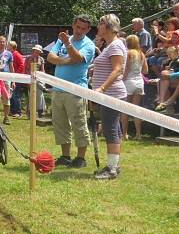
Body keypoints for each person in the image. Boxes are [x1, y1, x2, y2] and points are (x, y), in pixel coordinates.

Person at [47, 14, 96, 168]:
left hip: (76, 90)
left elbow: (78, 58)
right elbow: (50, 57)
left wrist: (68, 44)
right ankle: (65, 156)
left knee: (79, 124)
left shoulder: (89, 45)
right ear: (73, 25)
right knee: (60, 124)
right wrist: (65, 60)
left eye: (83, 28)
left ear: (88, 30)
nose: (79, 30)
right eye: (77, 27)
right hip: (58, 88)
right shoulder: (61, 40)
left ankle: (80, 158)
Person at [90, 14, 127, 180]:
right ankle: (114, 164)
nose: (98, 26)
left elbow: (118, 69)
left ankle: (111, 169)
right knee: (114, 129)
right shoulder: (110, 45)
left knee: (110, 129)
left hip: (112, 95)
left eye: (101, 23)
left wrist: (102, 88)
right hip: (108, 95)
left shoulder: (115, 46)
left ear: (108, 27)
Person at [156, 34, 179, 114]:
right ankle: (164, 103)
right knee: (164, 78)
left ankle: (167, 102)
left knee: (168, 79)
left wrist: (171, 75)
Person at [121, 34, 148, 140]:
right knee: (136, 109)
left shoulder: (128, 53)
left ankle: (124, 134)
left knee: (125, 109)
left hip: (129, 82)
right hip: (139, 83)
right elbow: (145, 71)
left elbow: (126, 69)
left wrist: (121, 79)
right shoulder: (142, 54)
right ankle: (138, 134)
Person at [25, 44, 46, 117]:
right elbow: (26, 69)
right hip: (30, 78)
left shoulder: (41, 59)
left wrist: (42, 78)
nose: (37, 52)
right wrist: (28, 80)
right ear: (33, 50)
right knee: (31, 95)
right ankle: (30, 112)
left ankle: (40, 110)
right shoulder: (28, 58)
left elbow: (42, 70)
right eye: (36, 51)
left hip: (38, 79)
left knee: (40, 94)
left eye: (38, 51)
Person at [8, 40, 26, 117]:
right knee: (11, 94)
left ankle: (18, 112)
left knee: (16, 95)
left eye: (9, 45)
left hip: (17, 78)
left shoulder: (17, 54)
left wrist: (16, 74)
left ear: (12, 47)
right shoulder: (10, 54)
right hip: (11, 77)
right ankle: (12, 111)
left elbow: (22, 65)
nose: (7, 46)